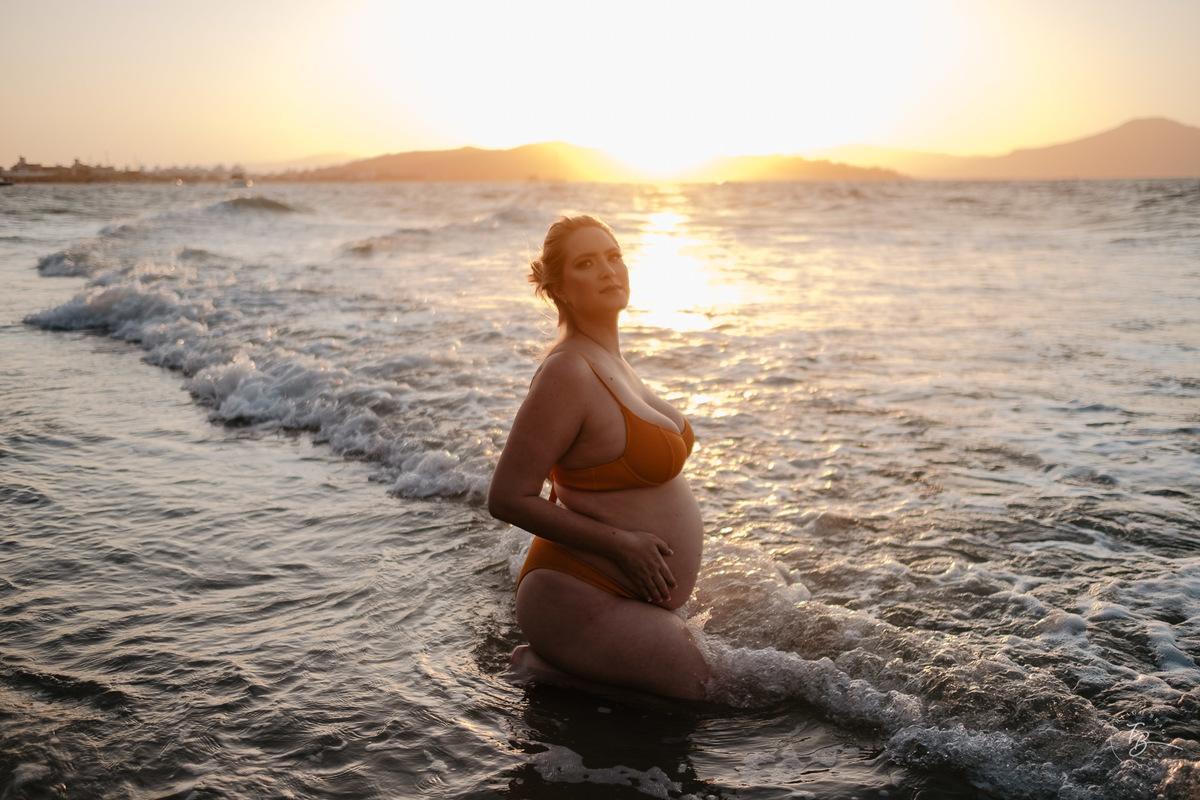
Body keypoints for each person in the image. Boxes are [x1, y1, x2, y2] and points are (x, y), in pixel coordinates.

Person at [488, 214, 710, 701]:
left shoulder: (611, 359)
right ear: (559, 288)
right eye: (587, 263)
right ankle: (547, 667)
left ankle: (565, 671)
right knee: (713, 696)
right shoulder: (567, 371)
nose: (609, 270)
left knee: (722, 692)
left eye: (614, 257)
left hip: (620, 592)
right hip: (577, 593)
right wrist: (622, 545)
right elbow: (507, 497)